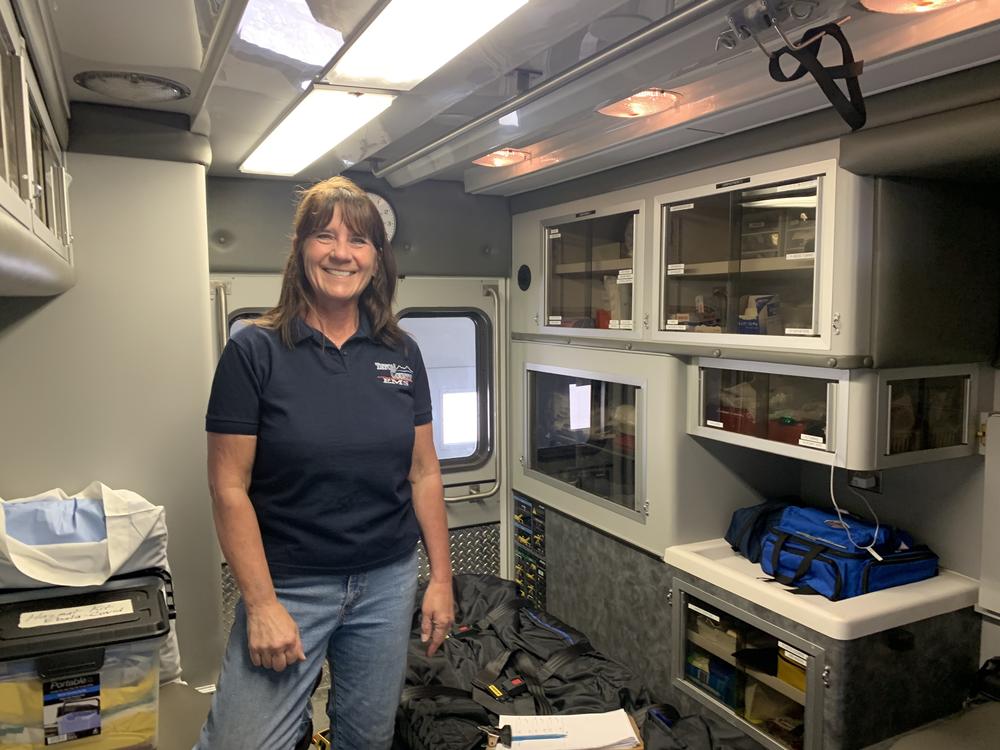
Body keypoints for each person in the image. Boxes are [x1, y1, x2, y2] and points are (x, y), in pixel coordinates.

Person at [195, 176, 454, 750]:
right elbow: (227, 487)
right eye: (325, 236)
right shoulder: (253, 350)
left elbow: (423, 472)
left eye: (360, 240)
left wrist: (439, 578)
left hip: (387, 581)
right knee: (239, 743)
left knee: (368, 739)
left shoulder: (400, 352)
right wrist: (261, 604)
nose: (342, 252)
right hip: (290, 584)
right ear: (300, 251)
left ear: (376, 259)